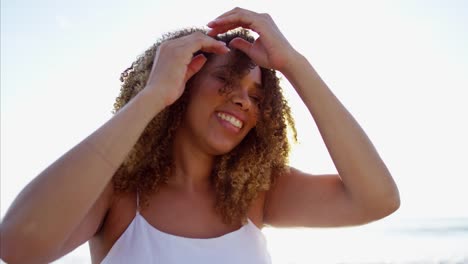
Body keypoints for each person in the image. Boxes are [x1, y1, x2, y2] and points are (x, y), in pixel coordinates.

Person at [0, 7, 400, 264]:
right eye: (226, 81)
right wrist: (153, 95)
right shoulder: (118, 195)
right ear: (183, 82)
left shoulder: (256, 195)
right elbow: (17, 245)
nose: (244, 101)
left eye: (256, 96)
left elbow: (378, 200)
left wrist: (294, 65)